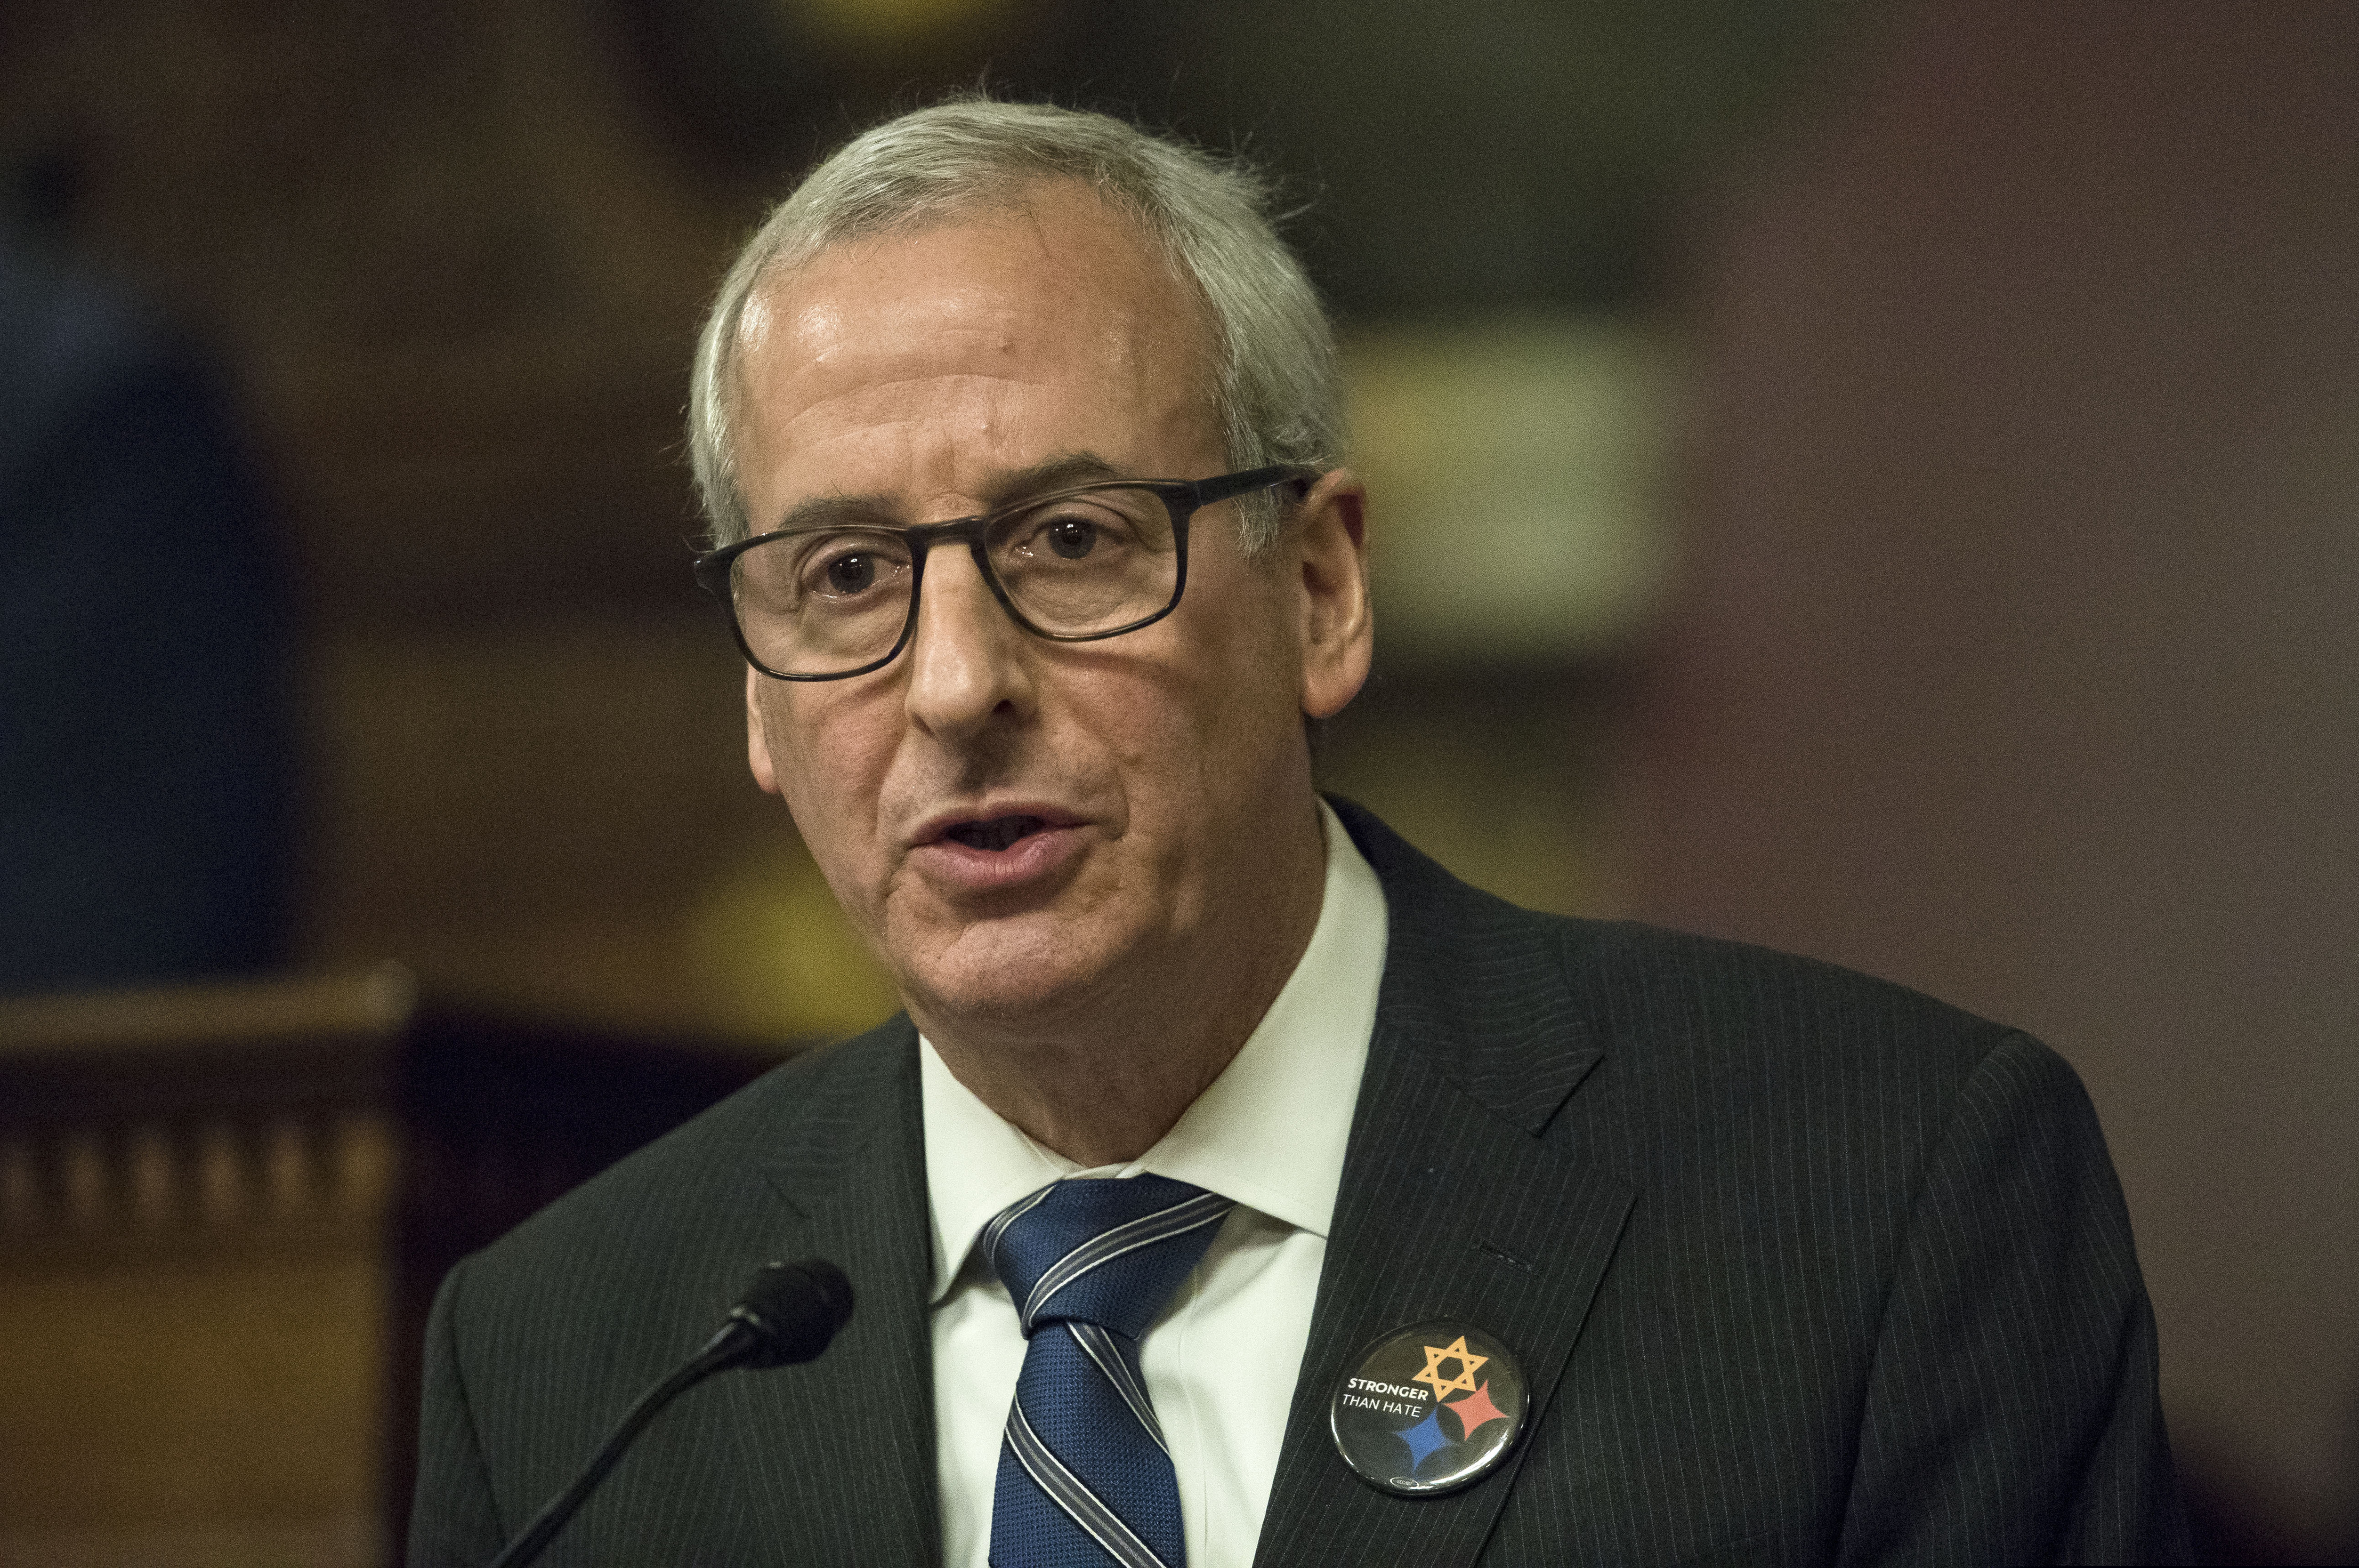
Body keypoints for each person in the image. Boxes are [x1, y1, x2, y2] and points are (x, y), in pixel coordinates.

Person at [408, 101, 2189, 1567]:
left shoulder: (1878, 1208)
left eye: (1075, 540)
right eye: (847, 577)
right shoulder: (577, 1361)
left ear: (1322, 589)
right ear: (757, 701)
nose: (954, 683)